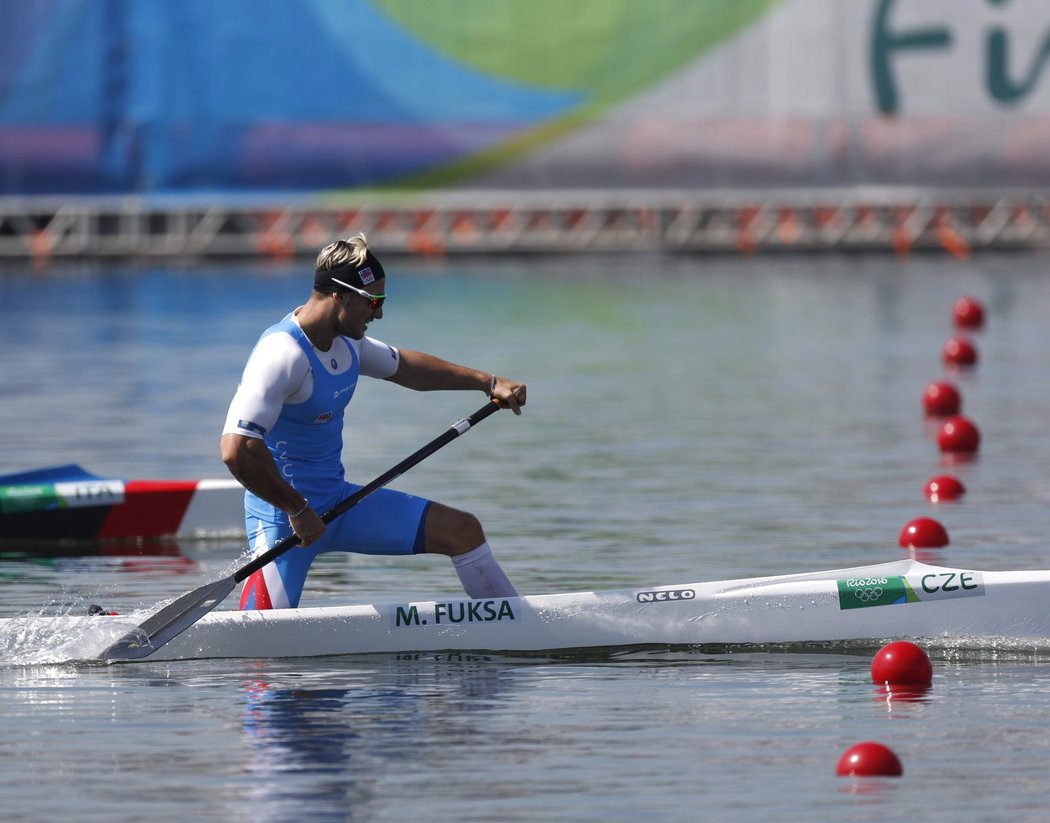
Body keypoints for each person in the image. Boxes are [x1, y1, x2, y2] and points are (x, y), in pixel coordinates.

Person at [220, 233, 525, 610]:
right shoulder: (283, 355)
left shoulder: (348, 343)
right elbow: (236, 450)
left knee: (463, 531)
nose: (378, 314)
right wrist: (297, 509)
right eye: (374, 302)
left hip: (340, 505)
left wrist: (489, 383)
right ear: (341, 296)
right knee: (256, 650)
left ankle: (518, 625)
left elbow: (409, 370)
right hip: (286, 524)